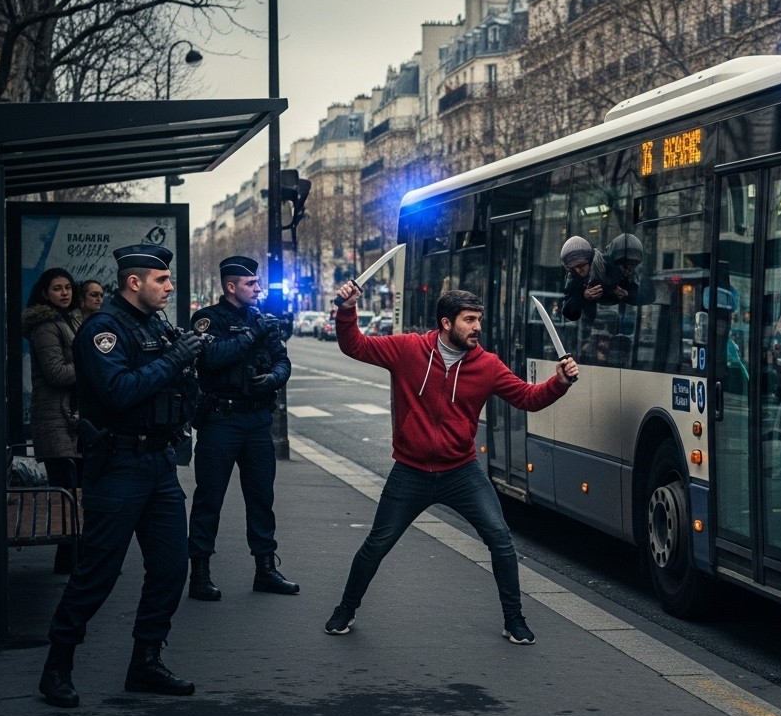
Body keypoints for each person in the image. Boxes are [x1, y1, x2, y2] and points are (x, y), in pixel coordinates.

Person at [322, 284, 577, 644]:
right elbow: (355, 345)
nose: (477, 327)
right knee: (377, 543)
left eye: (479, 320)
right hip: (410, 471)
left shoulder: (487, 365)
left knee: (501, 539)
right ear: (446, 323)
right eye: (469, 320)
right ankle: (345, 610)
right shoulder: (408, 349)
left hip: (461, 471)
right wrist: (347, 309)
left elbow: (526, 398)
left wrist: (560, 382)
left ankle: (514, 620)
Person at [39, 244, 205, 708]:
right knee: (97, 572)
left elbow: (173, 386)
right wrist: (175, 360)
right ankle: (58, 665)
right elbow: (118, 391)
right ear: (135, 283)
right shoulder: (103, 330)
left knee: (172, 567)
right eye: (162, 280)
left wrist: (190, 366)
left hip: (158, 463)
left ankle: (145, 662)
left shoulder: (155, 324)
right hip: (117, 466)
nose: (170, 287)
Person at [185, 256, 297, 601]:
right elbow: (212, 358)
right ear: (231, 286)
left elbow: (283, 360)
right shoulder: (207, 319)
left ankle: (265, 568)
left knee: (262, 498)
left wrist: (274, 379)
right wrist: (252, 335)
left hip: (256, 421)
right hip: (221, 420)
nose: (258, 289)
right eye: (251, 284)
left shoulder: (262, 319)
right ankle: (200, 573)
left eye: (257, 283)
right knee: (209, 498)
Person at [21, 267, 83, 573]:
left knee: (74, 489)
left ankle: (73, 559)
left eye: (68, 287)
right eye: (57, 288)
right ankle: (69, 562)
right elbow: (57, 373)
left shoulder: (67, 320)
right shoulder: (46, 326)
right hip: (55, 419)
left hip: (67, 418)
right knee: (67, 489)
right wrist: (91, 368)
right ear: (45, 293)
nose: (65, 293)